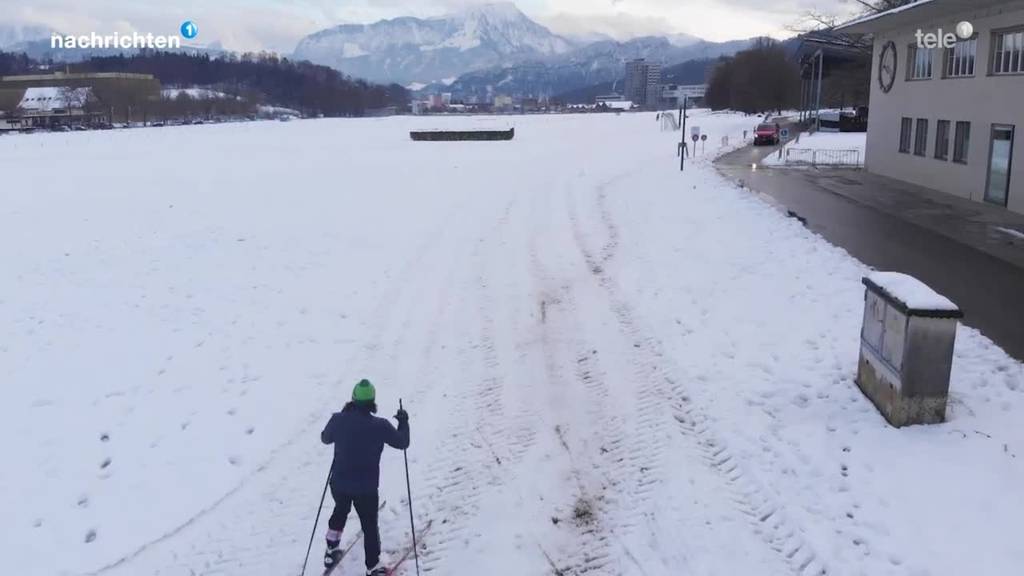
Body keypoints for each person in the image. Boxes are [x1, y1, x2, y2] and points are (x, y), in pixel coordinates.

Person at [321, 379, 410, 575]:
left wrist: (340, 425)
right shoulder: (381, 425)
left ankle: (331, 550)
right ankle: (373, 566)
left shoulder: (338, 419)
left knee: (340, 510)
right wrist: (403, 421)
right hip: (366, 488)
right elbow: (403, 442)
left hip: (340, 483)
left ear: (352, 399)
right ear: (372, 401)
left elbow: (325, 438)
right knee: (369, 525)